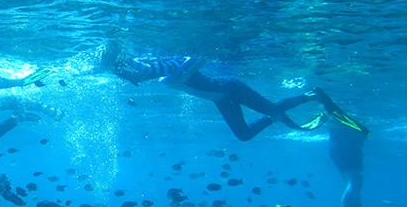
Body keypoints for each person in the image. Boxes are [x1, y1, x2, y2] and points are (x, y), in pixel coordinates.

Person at [101, 41, 329, 141]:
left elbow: (197, 57)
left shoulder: (172, 66)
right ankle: (274, 119)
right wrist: (121, 63)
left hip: (229, 87)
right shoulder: (161, 71)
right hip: (221, 99)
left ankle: (313, 95)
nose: (139, 77)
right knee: (244, 135)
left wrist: (122, 62)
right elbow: (144, 71)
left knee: (272, 107)